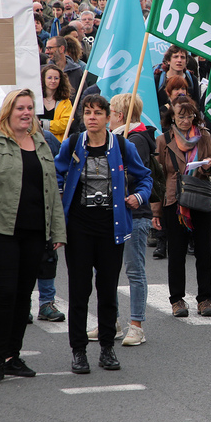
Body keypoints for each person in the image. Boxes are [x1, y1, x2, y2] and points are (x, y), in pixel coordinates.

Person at [0, 88, 66, 385]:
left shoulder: (41, 143)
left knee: (24, 296)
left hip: (34, 232)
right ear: (8, 111)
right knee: (5, 294)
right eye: (20, 108)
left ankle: (12, 356)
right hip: (1, 231)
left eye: (30, 108)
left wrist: (57, 230)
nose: (26, 113)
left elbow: (52, 189)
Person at [55, 94, 151, 374]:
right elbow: (55, 173)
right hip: (79, 228)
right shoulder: (73, 144)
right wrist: (60, 194)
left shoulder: (121, 145)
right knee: (79, 291)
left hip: (111, 228)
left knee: (107, 292)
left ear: (109, 118)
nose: (92, 117)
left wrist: (138, 197)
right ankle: (78, 351)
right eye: (88, 112)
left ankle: (107, 348)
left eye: (98, 113)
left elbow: (145, 176)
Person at [152, 95, 211, 318]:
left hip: (200, 197)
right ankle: (177, 300)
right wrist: (155, 211)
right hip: (174, 200)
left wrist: (208, 166)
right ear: (172, 116)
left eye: (189, 116)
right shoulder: (163, 140)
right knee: (177, 252)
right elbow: (157, 177)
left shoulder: (204, 136)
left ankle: (205, 299)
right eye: (181, 116)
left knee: (203, 252)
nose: (185, 120)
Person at [108, 94, 157, 346]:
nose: (107, 117)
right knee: (107, 270)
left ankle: (136, 325)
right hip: (113, 213)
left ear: (120, 115)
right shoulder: (116, 137)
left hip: (134, 214)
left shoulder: (134, 140)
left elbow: (136, 177)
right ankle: (111, 321)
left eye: (110, 111)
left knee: (134, 270)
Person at [39, 65, 73, 141]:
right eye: (49, 78)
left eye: (56, 78)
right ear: (43, 79)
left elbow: (65, 124)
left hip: (56, 142)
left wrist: (43, 124)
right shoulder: (35, 99)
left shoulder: (65, 102)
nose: (53, 81)